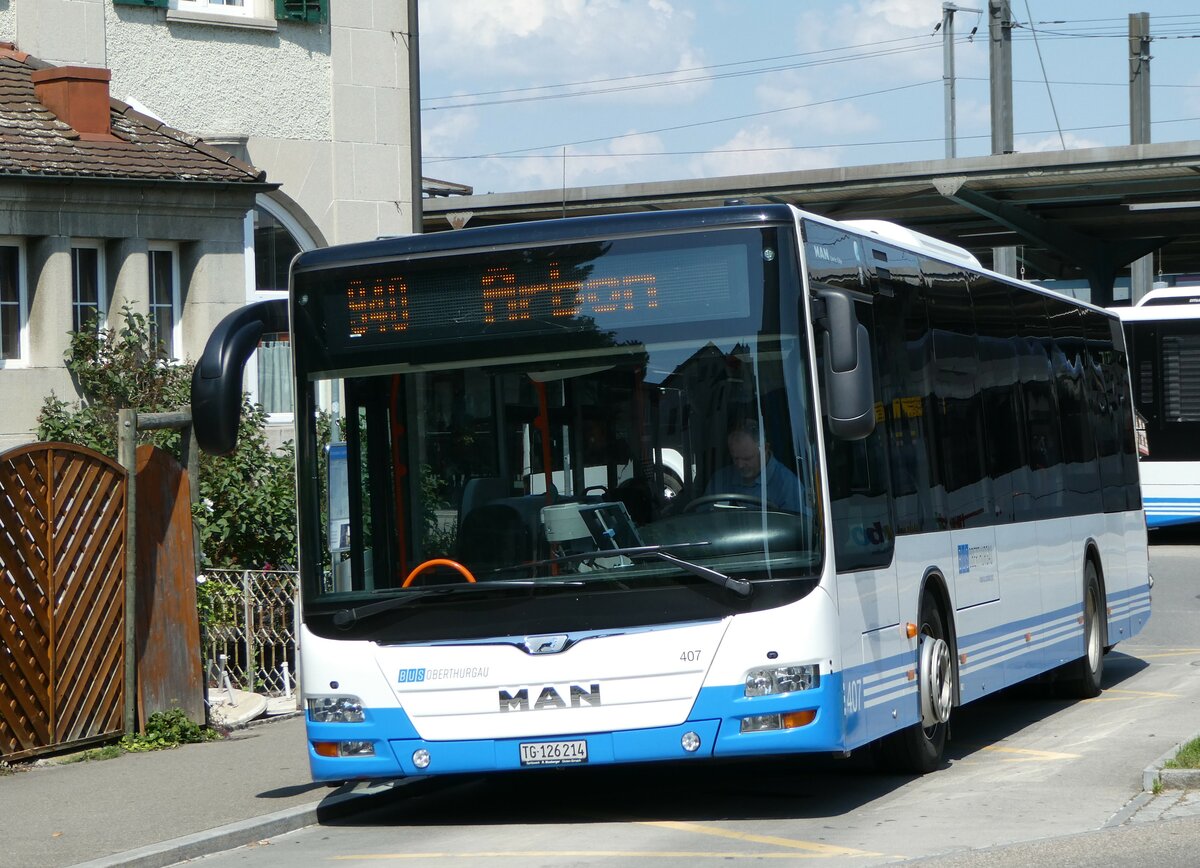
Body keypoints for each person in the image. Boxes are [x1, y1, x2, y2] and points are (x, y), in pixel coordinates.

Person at [705, 419, 804, 513]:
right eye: (735, 458)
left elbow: (795, 524)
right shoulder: (720, 480)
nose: (740, 465)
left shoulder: (789, 486)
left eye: (747, 458)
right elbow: (704, 517)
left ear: (765, 449)